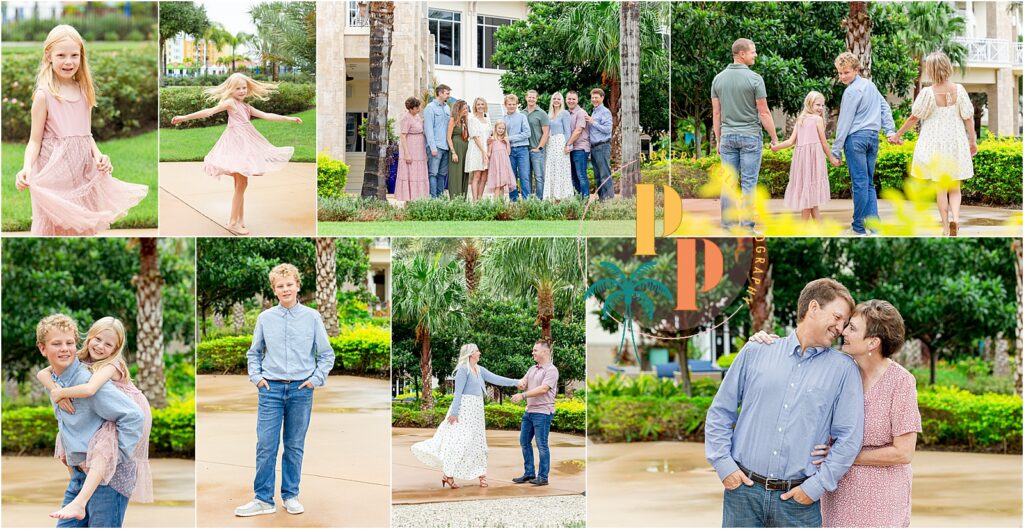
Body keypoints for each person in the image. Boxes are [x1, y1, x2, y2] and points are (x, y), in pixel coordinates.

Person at [705, 278, 864, 527]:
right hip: (743, 495)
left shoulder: (843, 369)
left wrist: (815, 487)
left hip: (798, 503)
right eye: (837, 317)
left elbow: (849, 438)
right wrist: (724, 466)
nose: (841, 328)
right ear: (813, 308)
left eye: (844, 323)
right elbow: (720, 412)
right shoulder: (756, 351)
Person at [750, 300, 921, 527]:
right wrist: (765, 343)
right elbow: (797, 356)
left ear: (873, 342)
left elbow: (903, 453)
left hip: (883, 498)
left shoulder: (901, 382)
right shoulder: (837, 369)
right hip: (838, 493)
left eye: (852, 328)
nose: (843, 331)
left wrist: (842, 456)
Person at [15, 25, 148, 236]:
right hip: (54, 172)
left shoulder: (84, 91)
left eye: (74, 55)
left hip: (81, 170)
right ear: (48, 56)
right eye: (61, 55)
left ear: (81, 56)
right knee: (54, 226)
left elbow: (86, 135)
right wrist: (26, 168)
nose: (69, 61)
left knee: (80, 226)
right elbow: (34, 141)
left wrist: (99, 155)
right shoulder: (44, 95)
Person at [235, 264, 334, 517]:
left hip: (302, 390)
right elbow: (254, 353)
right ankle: (263, 500)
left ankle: (290, 496)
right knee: (266, 445)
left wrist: (315, 379)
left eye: (289, 284)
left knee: (294, 445)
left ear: (297, 285)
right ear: (274, 290)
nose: (286, 289)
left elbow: (325, 354)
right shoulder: (265, 319)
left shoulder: (312, 317)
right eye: (280, 286)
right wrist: (257, 378)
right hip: (271, 390)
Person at [37, 317, 154, 520]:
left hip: (127, 417)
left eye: (108, 344)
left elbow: (96, 393)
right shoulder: (71, 370)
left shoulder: (103, 372)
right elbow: (43, 373)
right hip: (84, 467)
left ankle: (83, 497)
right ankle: (80, 495)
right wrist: (55, 389)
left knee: (107, 441)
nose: (100, 346)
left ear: (116, 348)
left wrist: (118, 457)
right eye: (57, 344)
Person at [170, 73, 299, 236]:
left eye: (244, 87)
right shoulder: (230, 103)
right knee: (242, 184)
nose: (242, 91)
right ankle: (233, 222)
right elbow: (209, 111)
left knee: (240, 184)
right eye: (238, 88)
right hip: (237, 146)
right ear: (231, 90)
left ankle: (239, 219)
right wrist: (184, 118)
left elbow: (267, 116)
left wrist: (289, 119)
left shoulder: (246, 107)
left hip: (244, 146)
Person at [410, 344, 521, 488]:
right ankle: (448, 475)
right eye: (477, 351)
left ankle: (482, 475)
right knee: (461, 442)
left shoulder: (480, 370)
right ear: (470, 354)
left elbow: (496, 379)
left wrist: (516, 382)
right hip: (464, 410)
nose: (479, 353)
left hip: (477, 410)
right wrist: (454, 413)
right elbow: (458, 393)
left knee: (478, 441)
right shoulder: (463, 370)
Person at [894, 51, 977, 236]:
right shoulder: (959, 90)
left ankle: (946, 227)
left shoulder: (927, 93)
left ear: (930, 70)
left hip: (936, 146)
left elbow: (914, 117)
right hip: (955, 143)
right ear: (947, 67)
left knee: (941, 189)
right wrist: (973, 140)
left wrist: (898, 134)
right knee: (955, 187)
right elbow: (969, 118)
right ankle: (956, 219)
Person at [711, 38, 779, 229]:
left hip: (727, 137)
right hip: (750, 136)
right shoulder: (755, 79)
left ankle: (728, 226)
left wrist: (718, 139)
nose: (755, 55)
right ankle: (747, 226)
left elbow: (717, 113)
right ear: (741, 54)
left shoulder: (718, 79)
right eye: (753, 51)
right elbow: (764, 112)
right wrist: (774, 138)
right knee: (749, 183)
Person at [831, 52, 900, 236]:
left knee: (860, 184)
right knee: (868, 184)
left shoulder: (851, 91)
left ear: (856, 70)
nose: (842, 76)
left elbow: (844, 122)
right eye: (839, 73)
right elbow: (885, 108)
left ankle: (858, 228)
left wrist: (835, 150)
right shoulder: (870, 86)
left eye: (846, 72)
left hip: (855, 139)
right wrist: (890, 130)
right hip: (872, 138)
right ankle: (875, 227)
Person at [771, 91, 837, 221]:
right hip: (811, 160)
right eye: (818, 105)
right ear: (809, 103)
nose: (821, 108)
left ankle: (816, 230)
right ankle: (805, 229)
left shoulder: (801, 119)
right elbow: (823, 143)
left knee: (811, 200)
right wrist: (832, 158)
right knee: (809, 199)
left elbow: (790, 142)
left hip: (805, 160)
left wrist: (776, 147)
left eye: (822, 105)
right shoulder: (815, 120)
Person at [510, 340, 559, 487]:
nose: (533, 353)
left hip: (543, 413)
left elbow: (544, 389)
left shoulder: (551, 370)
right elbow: (523, 381)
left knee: (541, 445)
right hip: (529, 412)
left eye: (535, 350)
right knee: (524, 442)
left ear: (545, 352)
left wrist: (523, 395)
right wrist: (521, 383)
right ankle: (529, 473)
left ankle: (543, 477)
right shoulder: (532, 368)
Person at [395, 97, 429, 203]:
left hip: (419, 150)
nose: (419, 109)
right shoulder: (406, 118)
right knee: (411, 173)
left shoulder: (417, 116)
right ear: (411, 108)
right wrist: (407, 154)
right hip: (411, 149)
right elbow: (403, 136)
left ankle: (419, 198)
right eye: (417, 107)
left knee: (419, 173)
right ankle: (409, 200)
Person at [543, 92, 574, 201]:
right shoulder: (549, 115)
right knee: (551, 168)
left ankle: (562, 196)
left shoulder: (564, 113)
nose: (556, 101)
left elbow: (568, 131)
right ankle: (552, 197)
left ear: (561, 101)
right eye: (554, 99)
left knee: (561, 169)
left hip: (560, 142)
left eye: (559, 99)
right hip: (550, 143)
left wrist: (568, 145)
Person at [423, 84, 452, 198]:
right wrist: (432, 147)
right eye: (447, 93)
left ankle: (440, 199)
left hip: (446, 147)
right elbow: (428, 129)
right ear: (440, 93)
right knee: (433, 174)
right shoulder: (430, 108)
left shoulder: (447, 108)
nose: (449, 95)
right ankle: (433, 199)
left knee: (442, 174)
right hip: (435, 147)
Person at [503, 94, 533, 201]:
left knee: (524, 176)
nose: (511, 106)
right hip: (509, 151)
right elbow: (501, 136)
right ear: (505, 105)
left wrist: (509, 138)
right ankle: (513, 201)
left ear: (517, 105)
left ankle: (527, 201)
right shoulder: (503, 119)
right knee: (512, 177)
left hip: (522, 150)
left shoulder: (522, 117)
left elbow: (527, 133)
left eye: (514, 104)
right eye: (509, 104)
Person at [587, 88, 615, 200]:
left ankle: (608, 201)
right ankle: (602, 200)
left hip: (602, 146)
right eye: (592, 97)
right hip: (594, 148)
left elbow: (608, 129)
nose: (594, 99)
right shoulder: (594, 112)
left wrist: (593, 122)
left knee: (605, 175)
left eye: (596, 97)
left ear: (602, 98)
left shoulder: (605, 112)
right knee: (598, 176)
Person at [564, 91, 591, 198]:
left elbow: (578, 130)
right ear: (566, 100)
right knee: (573, 176)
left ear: (577, 100)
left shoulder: (581, 113)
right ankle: (578, 199)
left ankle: (585, 200)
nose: (571, 101)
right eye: (569, 99)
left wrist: (567, 144)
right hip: (570, 149)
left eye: (573, 99)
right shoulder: (566, 114)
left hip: (580, 148)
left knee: (581, 175)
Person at [525, 90, 550, 200]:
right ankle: (529, 200)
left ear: (537, 99)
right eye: (529, 97)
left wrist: (539, 148)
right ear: (526, 98)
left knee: (539, 177)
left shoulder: (542, 113)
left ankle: (540, 200)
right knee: (527, 177)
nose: (531, 99)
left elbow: (546, 133)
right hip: (525, 151)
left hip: (537, 150)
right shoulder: (522, 113)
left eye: (533, 97)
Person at [465, 98, 492, 201]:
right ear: (475, 106)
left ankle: (480, 200)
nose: (480, 106)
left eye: (482, 104)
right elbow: (475, 137)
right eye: (478, 104)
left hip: (486, 149)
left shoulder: (487, 119)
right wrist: (483, 151)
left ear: (485, 106)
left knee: (484, 176)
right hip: (477, 149)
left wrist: (490, 143)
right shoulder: (472, 119)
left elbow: (489, 135)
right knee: (477, 176)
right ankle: (475, 200)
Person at [447, 100, 471, 199]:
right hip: (456, 148)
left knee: (464, 174)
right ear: (459, 109)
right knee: (455, 174)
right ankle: (454, 199)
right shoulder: (453, 120)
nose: (466, 110)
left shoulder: (465, 120)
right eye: (464, 108)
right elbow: (448, 137)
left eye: (466, 108)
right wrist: (453, 152)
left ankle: (463, 199)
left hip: (465, 149)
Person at [486, 121, 515, 200]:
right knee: (497, 185)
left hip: (504, 163)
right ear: (495, 128)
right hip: (495, 163)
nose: (501, 130)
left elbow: (508, 152)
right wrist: (487, 159)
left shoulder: (505, 140)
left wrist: (507, 143)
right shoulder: (493, 139)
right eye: (499, 128)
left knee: (502, 184)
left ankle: (501, 204)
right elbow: (489, 152)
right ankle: (495, 204)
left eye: (503, 128)